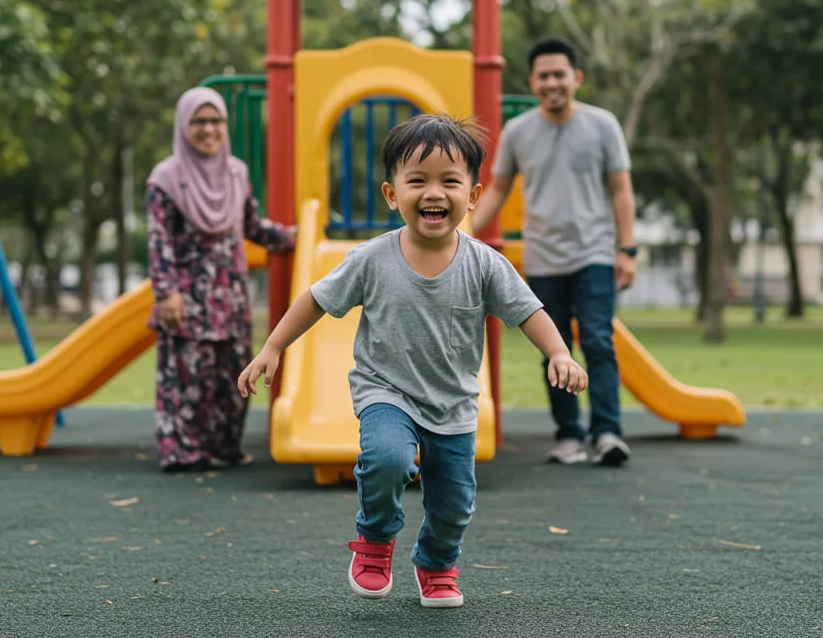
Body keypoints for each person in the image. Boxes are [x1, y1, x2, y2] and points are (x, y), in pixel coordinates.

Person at [237, 114, 587, 608]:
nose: (433, 193)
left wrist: (558, 352)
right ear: (391, 193)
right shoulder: (371, 259)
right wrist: (273, 347)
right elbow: (316, 299)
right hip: (387, 390)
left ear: (473, 195)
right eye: (417, 180)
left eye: (450, 181)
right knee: (388, 459)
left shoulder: (484, 263)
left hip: (455, 402)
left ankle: (437, 563)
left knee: (454, 504)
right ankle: (376, 540)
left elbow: (529, 311)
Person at [470, 37, 638, 467]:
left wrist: (628, 248)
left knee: (598, 341)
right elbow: (499, 189)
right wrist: (463, 230)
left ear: (576, 78)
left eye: (559, 74)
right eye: (543, 76)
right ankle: (568, 434)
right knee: (553, 346)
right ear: (533, 81)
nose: (552, 83)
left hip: (595, 253)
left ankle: (607, 433)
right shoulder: (519, 131)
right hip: (543, 256)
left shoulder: (603, 125)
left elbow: (621, 191)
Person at [145, 86, 295, 472]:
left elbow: (249, 225)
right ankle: (183, 452)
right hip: (187, 293)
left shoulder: (236, 172)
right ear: (183, 125)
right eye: (199, 121)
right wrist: (166, 293)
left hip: (229, 294)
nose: (208, 129)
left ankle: (224, 448)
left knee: (232, 374)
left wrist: (290, 237)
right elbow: (159, 241)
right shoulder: (165, 179)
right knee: (186, 375)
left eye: (215, 121)